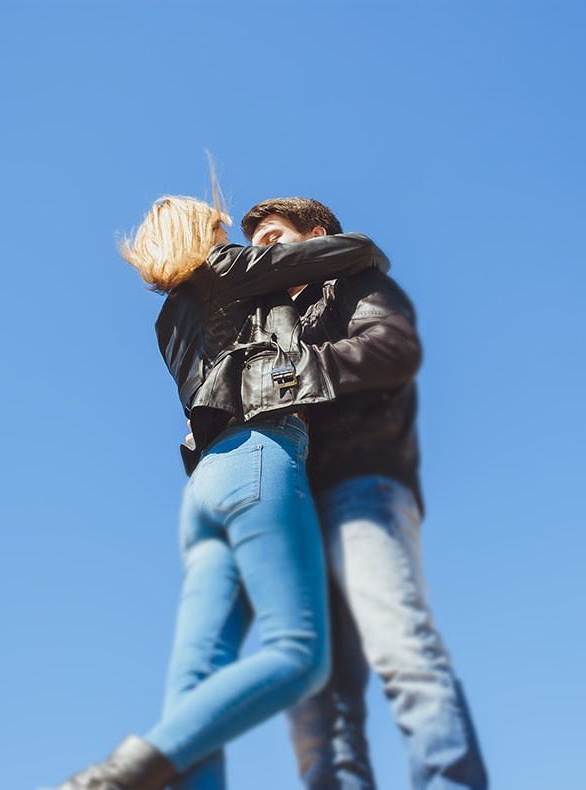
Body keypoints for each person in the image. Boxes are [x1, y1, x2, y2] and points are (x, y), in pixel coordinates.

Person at [48, 181, 390, 790]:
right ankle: (112, 778)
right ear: (206, 236)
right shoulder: (230, 269)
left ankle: (144, 771)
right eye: (223, 228)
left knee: (195, 693)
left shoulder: (168, 320)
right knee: (298, 654)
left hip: (204, 486)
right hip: (260, 456)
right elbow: (357, 249)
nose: (232, 236)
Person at [242, 198, 489, 790]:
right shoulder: (266, 321)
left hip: (361, 486)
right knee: (318, 701)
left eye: (274, 237)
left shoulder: (353, 282)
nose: (261, 253)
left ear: (317, 236)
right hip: (294, 509)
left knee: (402, 649)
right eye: (255, 246)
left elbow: (394, 349)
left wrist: (292, 377)